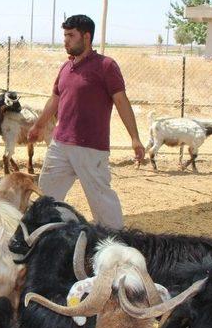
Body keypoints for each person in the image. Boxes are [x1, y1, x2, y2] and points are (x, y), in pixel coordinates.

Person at [27, 14, 144, 230]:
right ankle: (41, 237)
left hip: (91, 148)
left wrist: (135, 138)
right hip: (60, 145)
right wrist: (39, 125)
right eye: (64, 35)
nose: (66, 40)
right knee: (46, 196)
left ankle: (116, 241)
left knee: (101, 200)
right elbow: (55, 98)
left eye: (71, 35)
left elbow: (121, 101)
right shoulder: (65, 67)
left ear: (86, 36)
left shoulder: (106, 66)